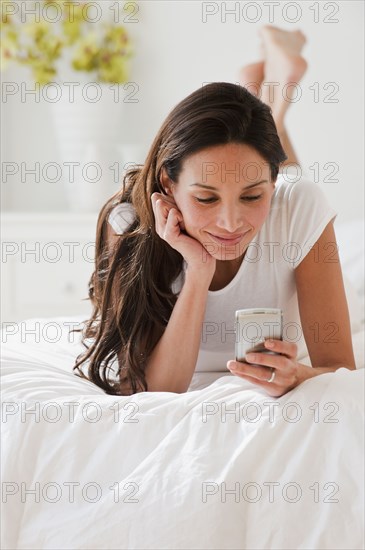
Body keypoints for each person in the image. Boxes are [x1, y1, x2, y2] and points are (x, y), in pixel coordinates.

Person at [73, 26, 356, 397]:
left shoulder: (297, 203)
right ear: (168, 183)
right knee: (248, 164)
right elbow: (154, 390)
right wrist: (198, 273)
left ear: (273, 185)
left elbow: (339, 369)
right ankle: (267, 93)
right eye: (206, 199)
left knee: (290, 186)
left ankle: (264, 95)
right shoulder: (130, 224)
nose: (230, 223)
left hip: (353, 295)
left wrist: (298, 375)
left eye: (254, 197)